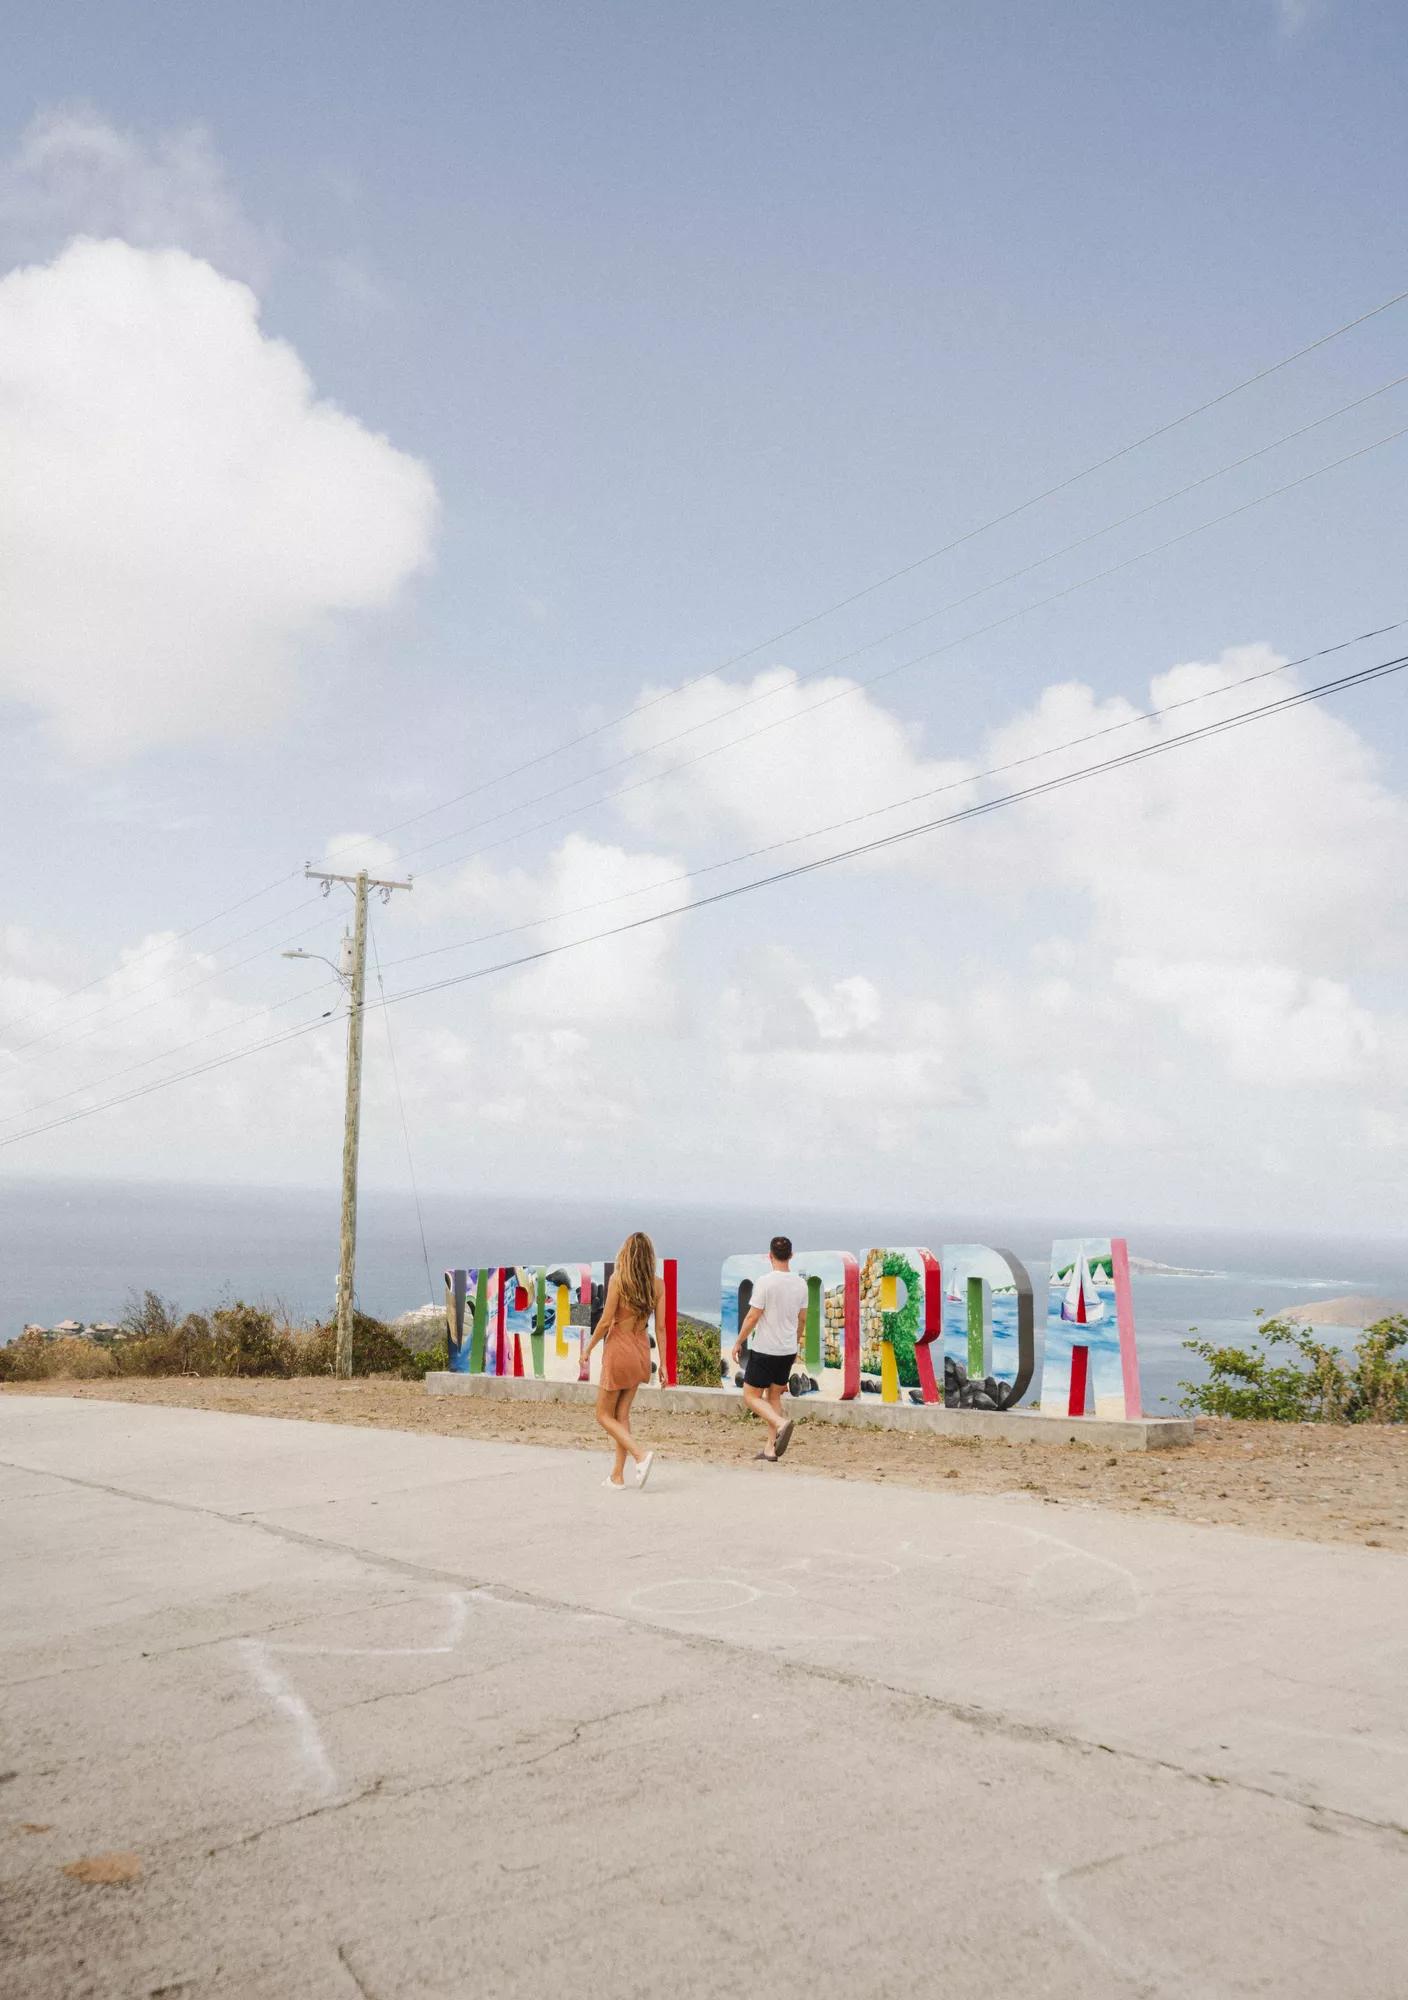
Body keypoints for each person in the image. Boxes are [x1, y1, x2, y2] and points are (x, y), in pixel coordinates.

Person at [585, 1231, 663, 1489]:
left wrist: (588, 1349)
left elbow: (605, 1321)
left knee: (602, 1415)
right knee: (622, 1415)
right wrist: (664, 1364)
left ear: (626, 1254)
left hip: (619, 1349)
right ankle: (617, 1476)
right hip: (641, 1351)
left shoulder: (618, 1280)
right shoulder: (658, 1285)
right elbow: (661, 1328)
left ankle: (640, 1456)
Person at [731, 1234, 807, 1463]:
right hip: (787, 1350)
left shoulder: (765, 1282)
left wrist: (738, 1341)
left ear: (770, 1256)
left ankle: (781, 1423)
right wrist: (794, 1343)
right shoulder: (801, 1284)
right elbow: (802, 1319)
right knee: (773, 1395)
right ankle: (770, 1449)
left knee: (750, 1396)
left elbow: (753, 1316)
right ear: (791, 1255)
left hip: (765, 1349)